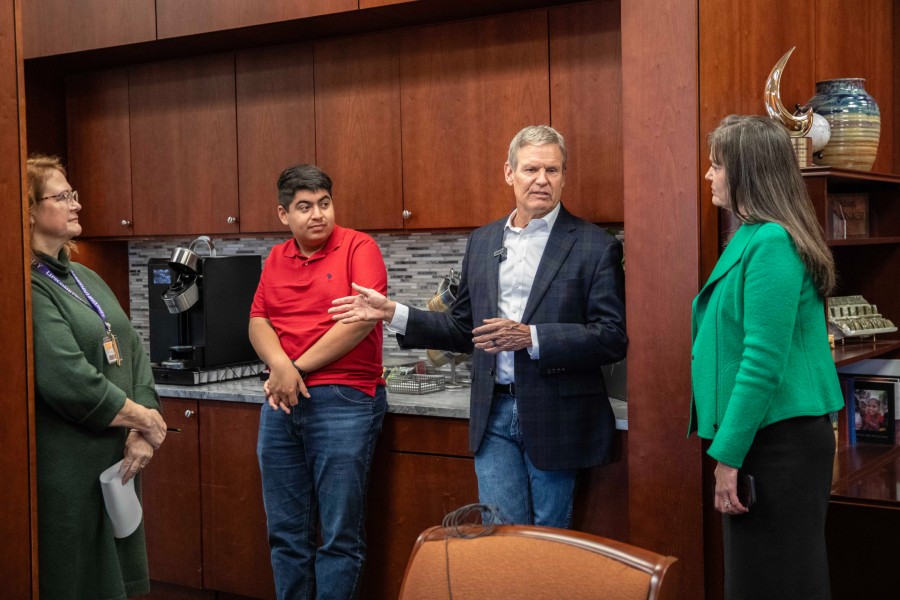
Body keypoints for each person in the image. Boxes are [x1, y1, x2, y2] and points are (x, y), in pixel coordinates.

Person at [330, 125, 627, 528]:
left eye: (553, 171)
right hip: (494, 413)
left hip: (558, 415)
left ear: (564, 176)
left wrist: (532, 336)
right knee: (500, 542)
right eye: (531, 169)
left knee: (548, 546)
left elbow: (611, 337)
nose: (542, 180)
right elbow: (460, 329)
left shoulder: (595, 245)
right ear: (509, 173)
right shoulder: (483, 240)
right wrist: (393, 313)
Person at [689, 115, 844, 599]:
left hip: (778, 445)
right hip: (770, 439)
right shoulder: (754, 235)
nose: (709, 175)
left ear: (747, 171)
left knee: (777, 582)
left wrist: (727, 458)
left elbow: (761, 362)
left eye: (717, 166)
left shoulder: (772, 242)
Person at [28, 154, 168, 599]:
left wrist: (146, 425)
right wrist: (141, 419)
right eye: (63, 196)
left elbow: (133, 350)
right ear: (27, 209)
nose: (77, 205)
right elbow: (67, 377)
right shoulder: (26, 286)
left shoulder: (85, 275)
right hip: (69, 469)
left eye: (75, 195)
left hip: (119, 460)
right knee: (80, 582)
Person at [249, 164, 388, 600]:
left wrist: (295, 369)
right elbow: (258, 320)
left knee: (338, 536)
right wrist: (281, 366)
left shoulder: (358, 247)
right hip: (283, 400)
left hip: (345, 398)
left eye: (324, 204)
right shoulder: (275, 257)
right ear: (282, 214)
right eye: (304, 207)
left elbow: (360, 323)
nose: (317, 215)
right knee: (285, 534)